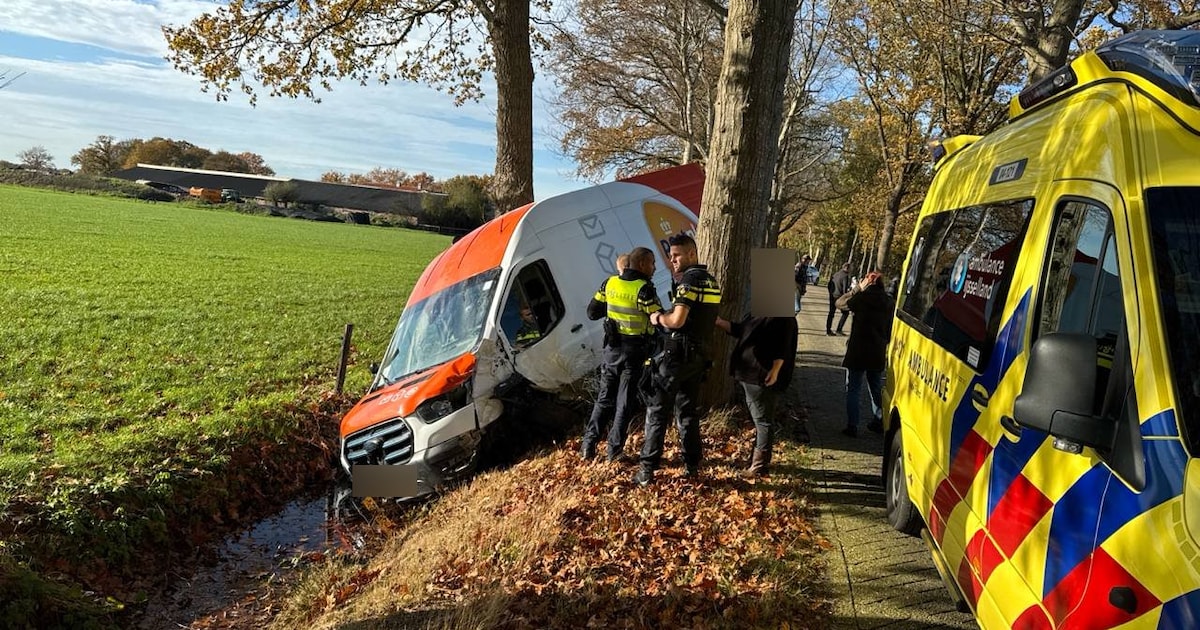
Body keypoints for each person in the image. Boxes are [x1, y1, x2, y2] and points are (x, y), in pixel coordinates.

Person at [634, 233, 721, 486]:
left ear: (692, 254)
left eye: (676, 255)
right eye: (670, 256)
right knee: (687, 412)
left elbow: (678, 320)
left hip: (677, 356)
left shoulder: (689, 281)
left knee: (657, 410)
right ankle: (692, 465)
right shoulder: (711, 281)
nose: (672, 261)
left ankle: (647, 470)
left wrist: (659, 318)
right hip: (699, 356)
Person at [582, 247, 663, 461]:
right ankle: (614, 451)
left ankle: (588, 446)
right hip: (634, 352)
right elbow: (658, 318)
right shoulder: (644, 289)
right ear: (643, 264)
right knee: (624, 402)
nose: (654, 268)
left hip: (611, 349)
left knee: (604, 398)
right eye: (652, 264)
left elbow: (592, 312)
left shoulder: (609, 283)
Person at [716, 314, 798, 476]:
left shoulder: (783, 316)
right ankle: (756, 459)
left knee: (763, 421)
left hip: (762, 376)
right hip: (751, 375)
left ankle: (759, 467)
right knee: (759, 419)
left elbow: (782, 346)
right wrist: (720, 322)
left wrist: (775, 371)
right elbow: (742, 330)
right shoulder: (760, 311)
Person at [835, 271, 893, 437]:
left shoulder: (860, 299)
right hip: (877, 351)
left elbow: (839, 303)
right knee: (875, 387)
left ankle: (852, 425)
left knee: (853, 389)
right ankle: (879, 419)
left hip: (857, 350)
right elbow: (890, 329)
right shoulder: (889, 302)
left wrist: (858, 289)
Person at [826, 263, 852, 336]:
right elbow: (845, 290)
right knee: (845, 313)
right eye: (850, 268)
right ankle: (839, 329)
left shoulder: (836, 274)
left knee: (831, 313)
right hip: (839, 297)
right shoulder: (845, 276)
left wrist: (831, 293)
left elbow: (829, 285)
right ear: (847, 268)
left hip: (832, 296)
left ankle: (828, 330)